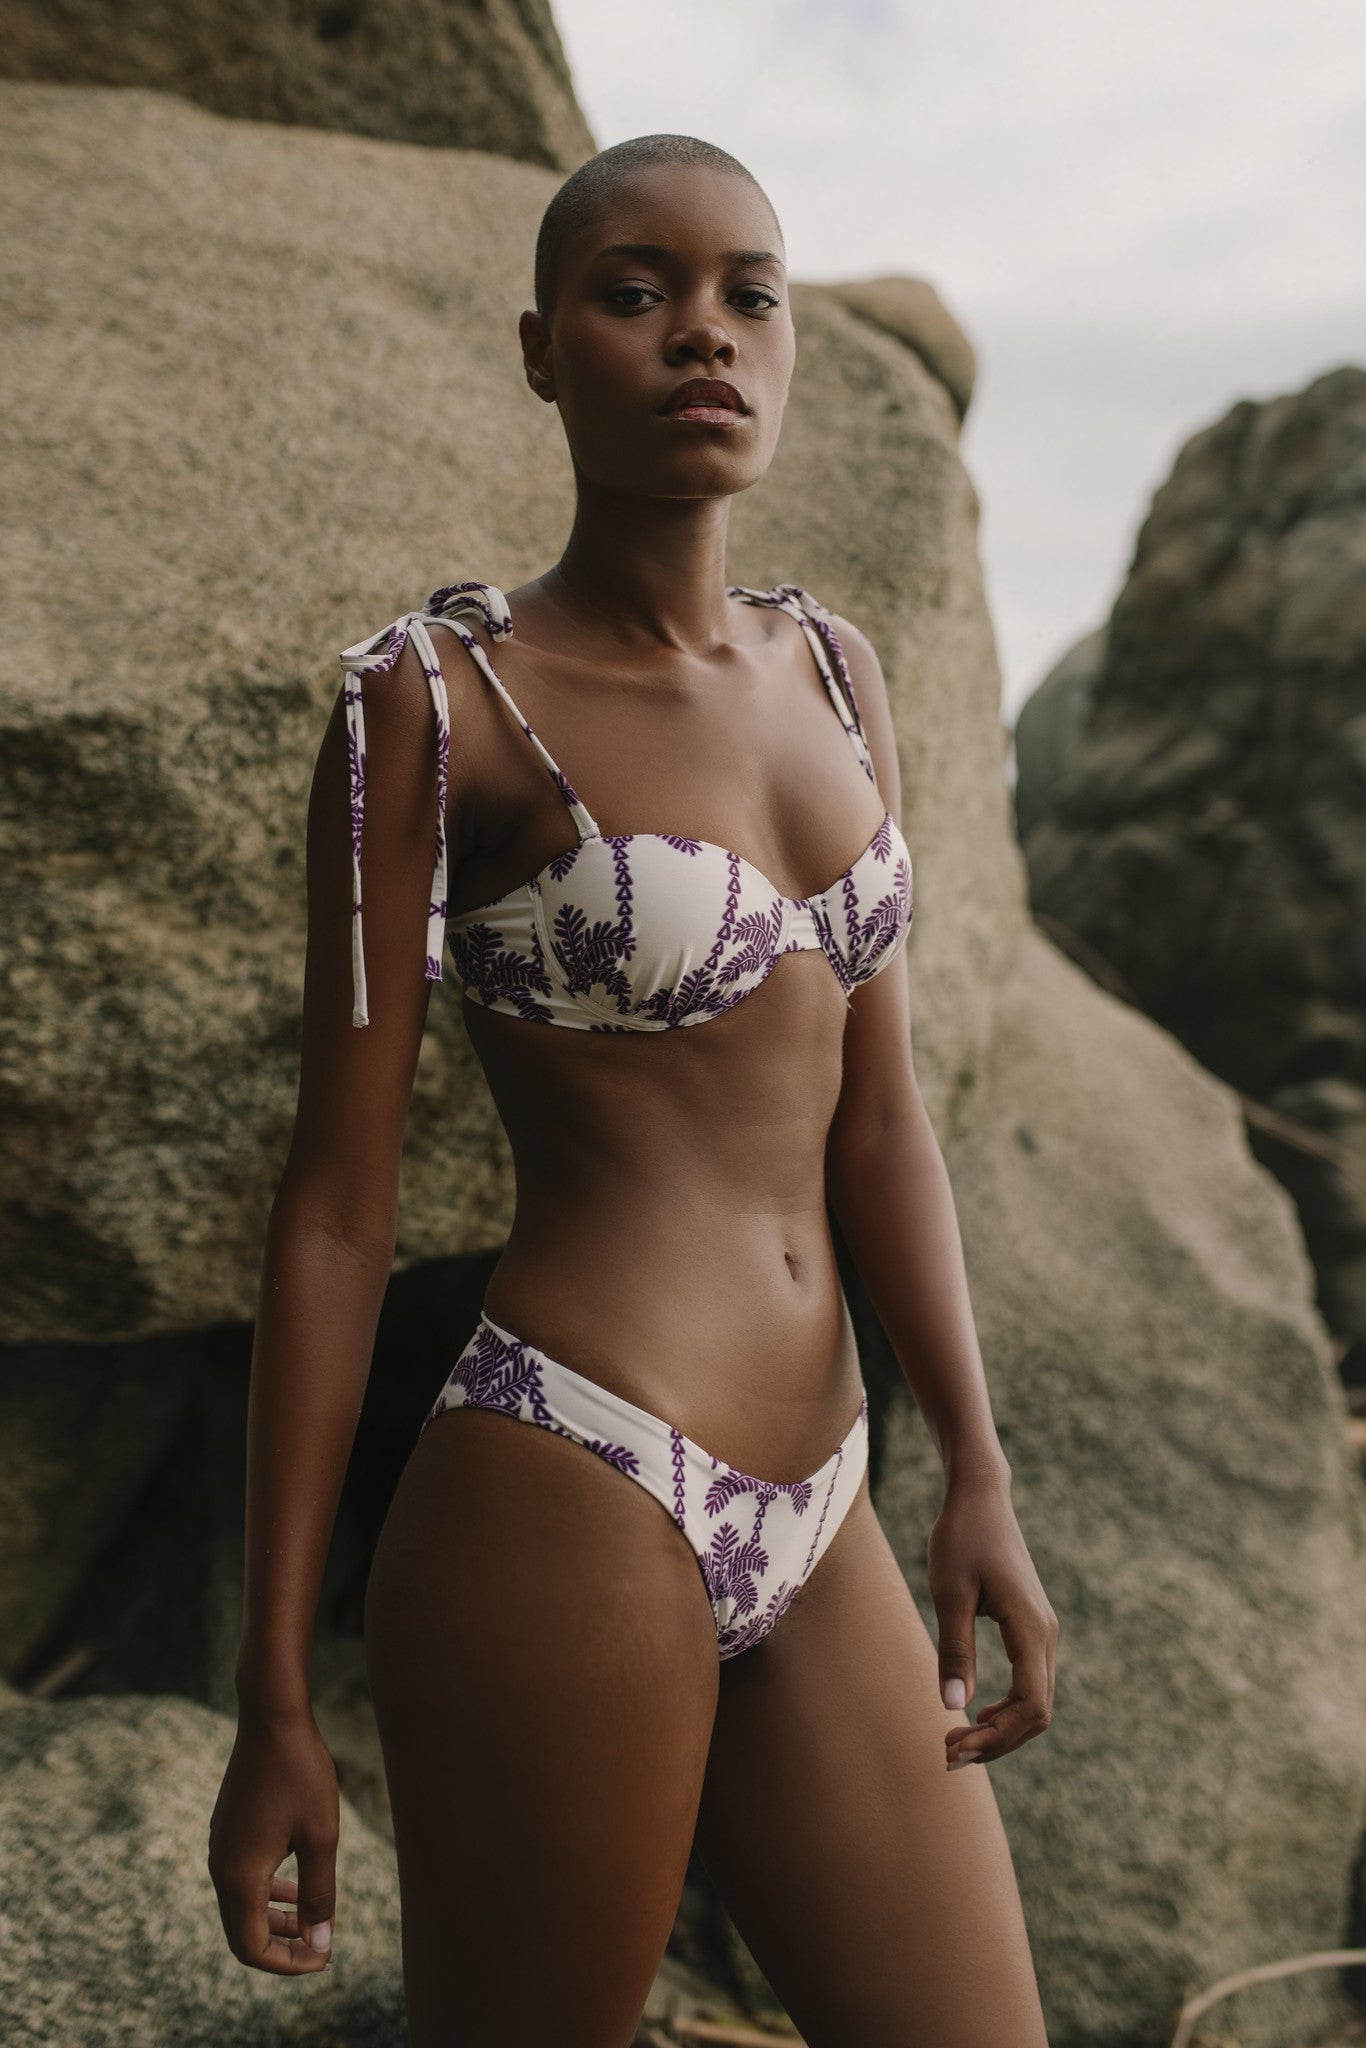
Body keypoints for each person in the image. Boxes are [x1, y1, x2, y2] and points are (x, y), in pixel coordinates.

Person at [208, 131, 1058, 2047]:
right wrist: (273, 1687)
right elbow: (335, 1205)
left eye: (747, 294)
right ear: (540, 349)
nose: (703, 333)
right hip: (571, 1477)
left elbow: (882, 1122)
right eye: (635, 293)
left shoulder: (834, 673)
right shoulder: (432, 700)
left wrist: (974, 1474)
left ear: (788, 348)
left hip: (822, 1491)